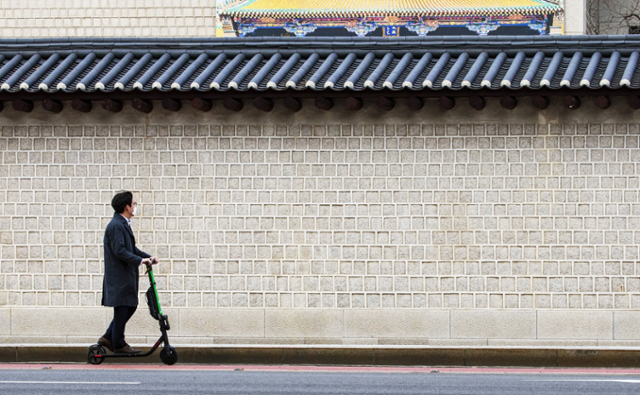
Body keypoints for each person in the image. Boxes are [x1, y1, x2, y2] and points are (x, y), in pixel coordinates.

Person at [98, 191, 158, 354]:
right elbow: (120, 251)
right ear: (127, 207)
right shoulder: (116, 225)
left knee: (129, 306)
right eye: (133, 204)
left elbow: (131, 249)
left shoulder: (122, 224)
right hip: (119, 277)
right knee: (124, 308)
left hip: (124, 276)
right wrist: (140, 261)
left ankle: (108, 338)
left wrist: (147, 257)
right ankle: (117, 343)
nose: (134, 206)